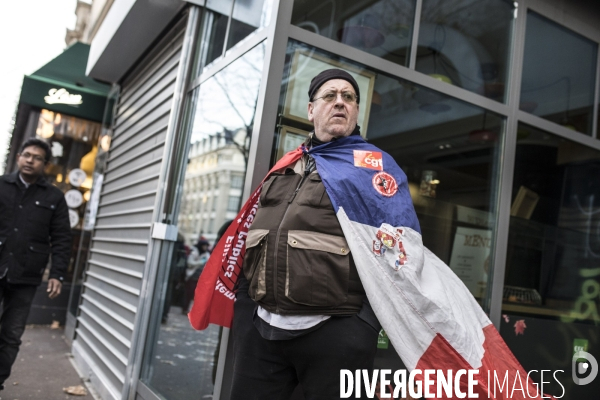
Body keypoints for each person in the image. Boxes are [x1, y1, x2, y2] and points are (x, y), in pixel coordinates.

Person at [230, 69, 381, 399]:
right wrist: (246, 314)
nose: (339, 102)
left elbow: (395, 255)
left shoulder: (373, 171)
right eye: (330, 96)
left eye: (348, 97)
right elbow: (253, 239)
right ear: (311, 110)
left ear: (357, 111)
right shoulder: (285, 167)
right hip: (263, 332)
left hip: (335, 336)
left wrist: (361, 327)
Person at [0, 138, 71, 389]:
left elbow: (62, 238)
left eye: (37, 157)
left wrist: (57, 274)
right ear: (19, 157)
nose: (30, 160)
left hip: (26, 276)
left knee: (10, 334)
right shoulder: (2, 186)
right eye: (26, 155)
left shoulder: (54, 197)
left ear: (45, 164)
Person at [183, 239, 210, 313]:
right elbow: (190, 263)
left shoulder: (207, 254)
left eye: (206, 246)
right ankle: (185, 309)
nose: (205, 247)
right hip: (192, 276)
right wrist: (200, 262)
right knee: (189, 294)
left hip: (201, 279)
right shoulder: (194, 252)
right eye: (204, 246)